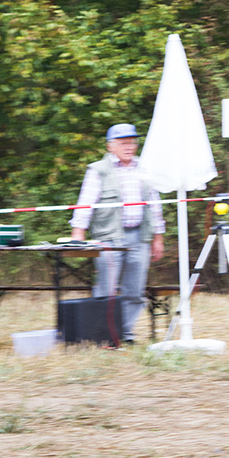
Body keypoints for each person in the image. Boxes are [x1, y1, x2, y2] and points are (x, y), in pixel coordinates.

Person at [70, 123, 165, 344]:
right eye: (123, 143)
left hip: (140, 237)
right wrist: (78, 233)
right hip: (109, 237)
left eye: (132, 142)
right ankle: (102, 334)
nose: (129, 146)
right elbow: (85, 202)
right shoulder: (98, 170)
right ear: (110, 146)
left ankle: (125, 333)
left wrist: (158, 238)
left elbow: (155, 204)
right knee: (106, 289)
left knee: (135, 290)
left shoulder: (145, 168)